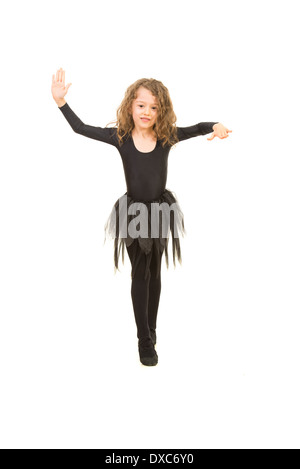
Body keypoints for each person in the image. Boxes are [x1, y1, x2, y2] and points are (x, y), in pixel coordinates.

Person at [51, 67, 232, 367]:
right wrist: (61, 103)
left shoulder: (166, 138)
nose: (147, 112)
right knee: (141, 273)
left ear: (162, 111)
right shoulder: (120, 137)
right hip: (134, 214)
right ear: (130, 106)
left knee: (156, 272)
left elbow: (198, 127)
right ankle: (143, 340)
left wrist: (217, 125)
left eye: (154, 107)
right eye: (141, 105)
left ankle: (152, 327)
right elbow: (80, 128)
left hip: (161, 212)